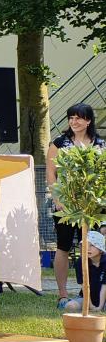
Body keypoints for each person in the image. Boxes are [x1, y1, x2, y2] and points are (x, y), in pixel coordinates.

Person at [45, 103, 104, 305]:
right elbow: (51, 173)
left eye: (78, 118)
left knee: (92, 247)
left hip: (91, 206)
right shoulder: (60, 143)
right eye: (71, 118)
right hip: (66, 205)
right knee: (63, 246)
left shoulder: (100, 144)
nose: (74, 122)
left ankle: (86, 291)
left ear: (88, 121)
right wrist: (57, 199)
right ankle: (62, 294)